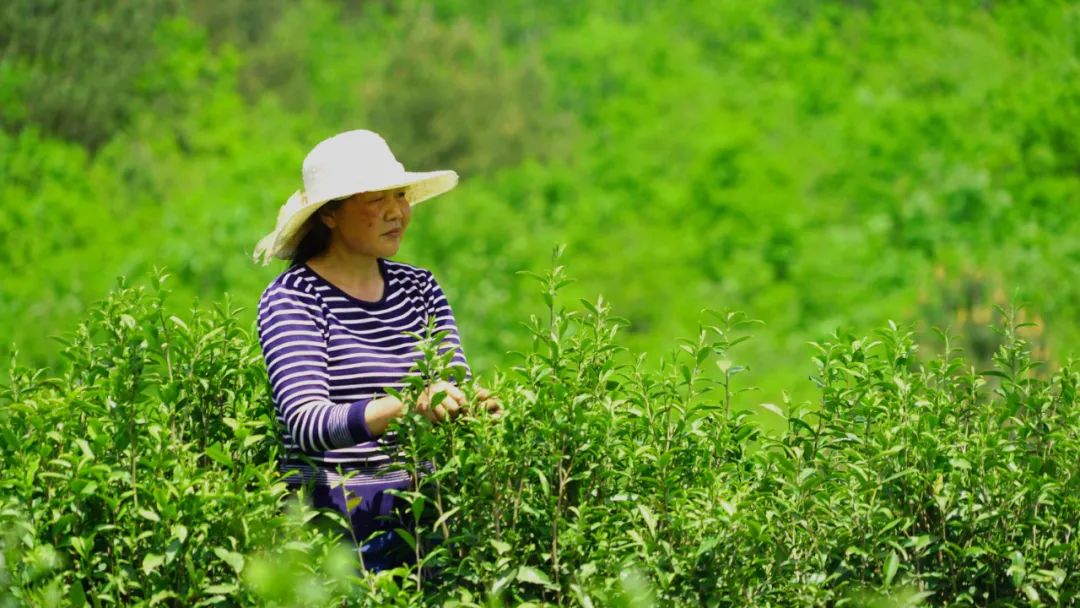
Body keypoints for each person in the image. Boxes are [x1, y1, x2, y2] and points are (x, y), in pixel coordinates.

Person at [251, 129, 502, 573]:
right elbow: (309, 423)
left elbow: (452, 384)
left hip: (424, 519)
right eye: (375, 200)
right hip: (333, 531)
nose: (396, 213)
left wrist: (474, 405)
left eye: (400, 196)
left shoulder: (419, 288)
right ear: (329, 215)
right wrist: (405, 407)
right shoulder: (293, 298)